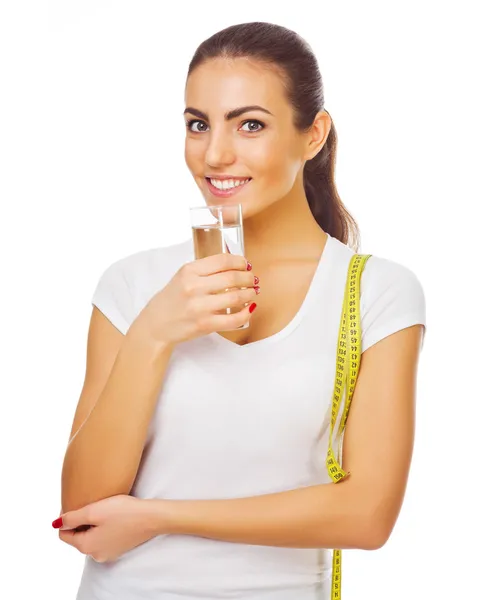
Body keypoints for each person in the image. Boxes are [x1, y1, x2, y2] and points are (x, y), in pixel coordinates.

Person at [54, 21, 427, 600]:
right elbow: (81, 510)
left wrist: (160, 517)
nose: (215, 153)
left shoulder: (375, 292)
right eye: (197, 125)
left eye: (250, 124)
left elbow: (367, 515)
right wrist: (154, 332)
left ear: (314, 135)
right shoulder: (132, 285)